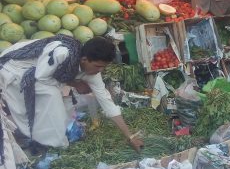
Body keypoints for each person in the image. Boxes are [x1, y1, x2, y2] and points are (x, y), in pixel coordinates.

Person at [0, 35, 144, 158]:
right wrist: (75, 84)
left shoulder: (93, 73)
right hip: (16, 67)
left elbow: (107, 103)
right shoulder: (62, 54)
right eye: (98, 66)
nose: (100, 71)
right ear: (84, 59)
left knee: (52, 104)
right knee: (51, 97)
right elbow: (42, 77)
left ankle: (44, 137)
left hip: (42, 74)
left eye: (103, 67)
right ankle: (53, 143)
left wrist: (130, 136)